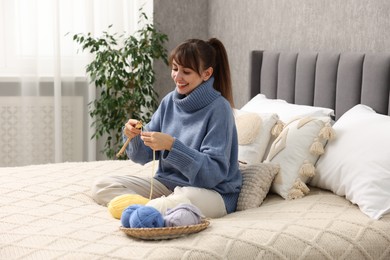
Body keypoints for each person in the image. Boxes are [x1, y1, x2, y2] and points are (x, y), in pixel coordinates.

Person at [91, 38, 241, 218]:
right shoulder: (170, 101)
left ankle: (151, 209)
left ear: (206, 73)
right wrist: (135, 136)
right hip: (167, 186)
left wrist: (172, 146)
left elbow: (213, 174)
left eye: (186, 72)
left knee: (184, 198)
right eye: (175, 68)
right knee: (102, 186)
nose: (177, 77)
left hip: (211, 193)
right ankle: (152, 208)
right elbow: (142, 156)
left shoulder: (220, 109)